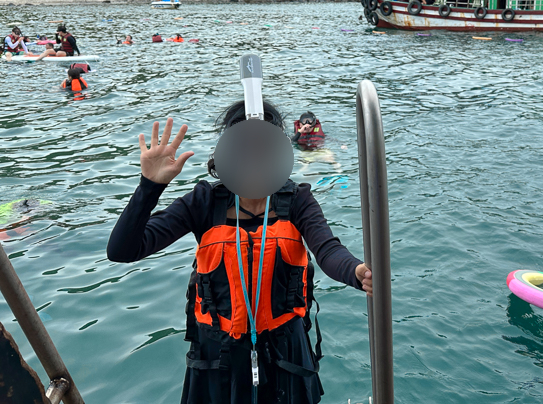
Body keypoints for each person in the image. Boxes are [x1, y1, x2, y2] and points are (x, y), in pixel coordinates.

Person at [106, 104, 372, 404]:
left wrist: (356, 272)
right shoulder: (204, 202)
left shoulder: (297, 200)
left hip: (286, 351)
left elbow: (327, 249)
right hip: (217, 356)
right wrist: (149, 187)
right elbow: (122, 250)